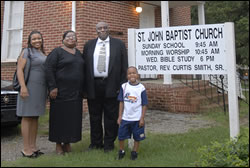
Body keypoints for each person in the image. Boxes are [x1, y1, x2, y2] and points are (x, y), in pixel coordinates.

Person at [83, 22, 128, 152]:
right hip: (94, 85)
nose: (102, 30)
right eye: (99, 28)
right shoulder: (89, 45)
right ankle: (96, 143)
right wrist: (85, 88)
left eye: (105, 28)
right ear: (96, 30)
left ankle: (109, 143)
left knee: (111, 116)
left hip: (112, 84)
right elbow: (85, 67)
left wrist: (122, 85)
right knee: (94, 116)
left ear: (108, 30)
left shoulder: (118, 44)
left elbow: (124, 66)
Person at [45, 30, 84, 155]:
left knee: (72, 119)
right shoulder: (57, 52)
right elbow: (49, 69)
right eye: (68, 36)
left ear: (76, 40)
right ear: (63, 40)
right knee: (59, 119)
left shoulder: (78, 53)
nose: (71, 38)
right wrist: (52, 87)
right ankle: (58, 144)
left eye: (73, 36)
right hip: (60, 93)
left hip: (75, 93)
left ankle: (67, 143)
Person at [16, 30, 47, 158]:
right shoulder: (26, 52)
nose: (37, 41)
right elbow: (19, 70)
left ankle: (33, 146)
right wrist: (23, 87)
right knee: (27, 117)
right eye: (34, 39)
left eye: (39, 38)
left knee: (35, 117)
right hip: (29, 88)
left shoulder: (42, 53)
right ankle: (26, 149)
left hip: (40, 89)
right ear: (29, 41)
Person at [117, 66, 148, 160]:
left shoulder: (141, 88)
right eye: (129, 73)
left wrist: (142, 118)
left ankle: (134, 152)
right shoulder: (124, 86)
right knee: (121, 136)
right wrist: (119, 116)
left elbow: (144, 104)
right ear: (127, 76)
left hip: (137, 118)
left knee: (137, 137)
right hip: (126, 118)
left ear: (137, 75)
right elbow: (121, 102)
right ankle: (121, 152)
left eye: (134, 73)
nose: (132, 75)